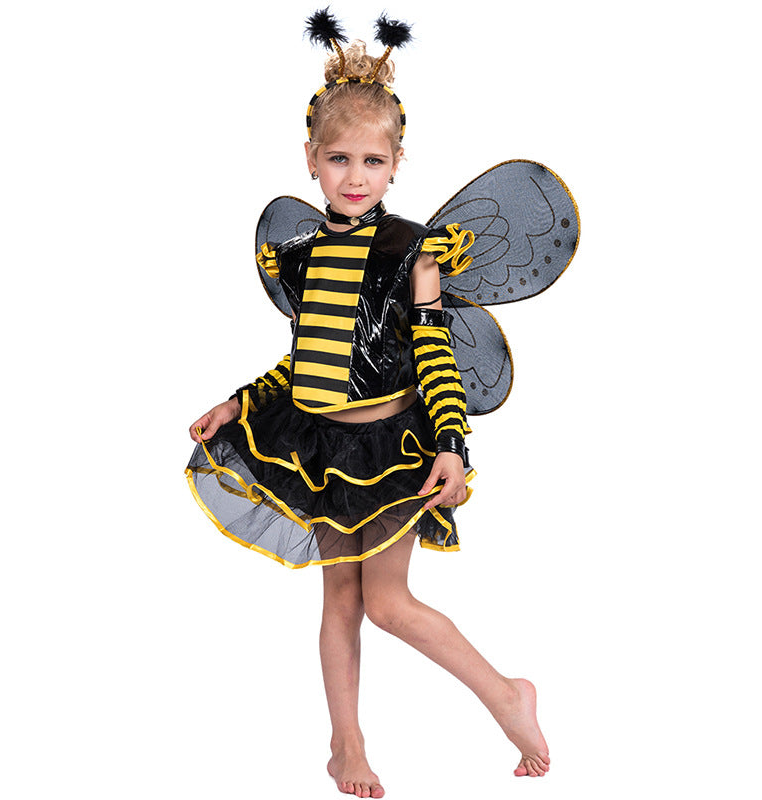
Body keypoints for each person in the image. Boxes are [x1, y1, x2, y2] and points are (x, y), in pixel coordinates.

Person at [187, 12, 551, 797]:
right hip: (320, 450)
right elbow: (307, 360)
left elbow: (435, 358)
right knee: (340, 601)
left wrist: (452, 446)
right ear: (311, 159)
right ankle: (344, 744)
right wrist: (238, 403)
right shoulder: (299, 256)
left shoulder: (412, 252)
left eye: (373, 161)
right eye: (340, 158)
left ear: (396, 163)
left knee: (387, 603)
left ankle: (506, 695)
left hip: (391, 451)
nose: (356, 176)